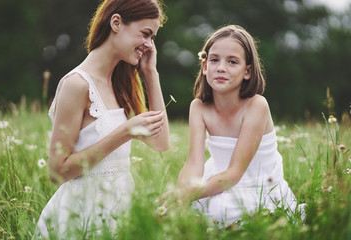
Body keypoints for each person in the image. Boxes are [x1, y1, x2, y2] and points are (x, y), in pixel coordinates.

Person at [33, 0, 168, 238]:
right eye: (146, 34)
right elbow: (57, 171)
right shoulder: (76, 84)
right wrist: (125, 132)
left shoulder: (121, 83)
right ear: (116, 22)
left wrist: (150, 73)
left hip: (117, 211)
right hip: (81, 215)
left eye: (153, 38)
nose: (149, 45)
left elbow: (160, 143)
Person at [160, 25, 303, 227]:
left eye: (232, 62)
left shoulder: (256, 105)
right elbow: (194, 162)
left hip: (256, 185)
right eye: (214, 59)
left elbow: (235, 173)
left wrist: (187, 195)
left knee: (222, 211)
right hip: (219, 179)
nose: (220, 68)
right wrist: (181, 193)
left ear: (247, 71)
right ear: (204, 66)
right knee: (189, 212)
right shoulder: (198, 107)